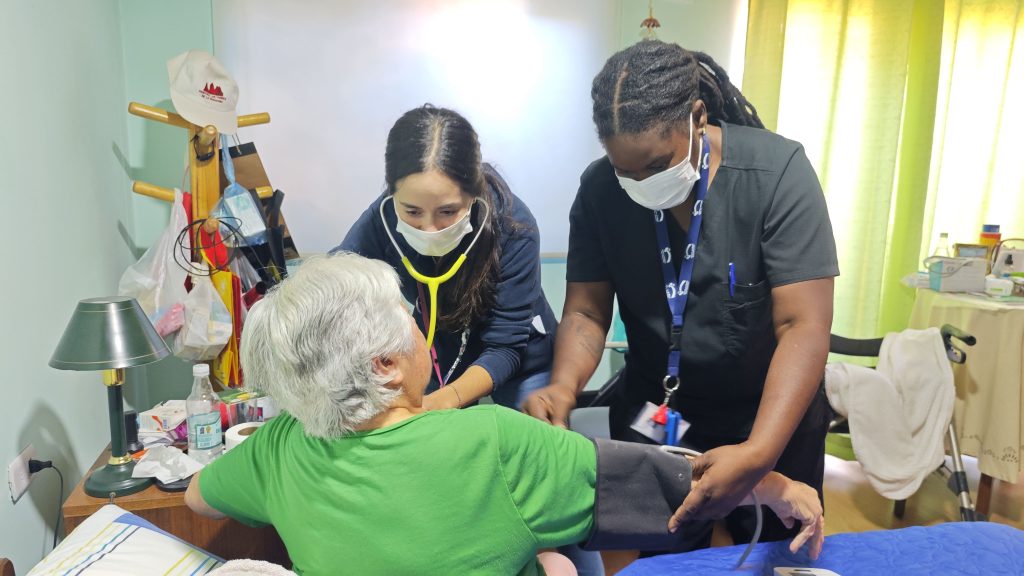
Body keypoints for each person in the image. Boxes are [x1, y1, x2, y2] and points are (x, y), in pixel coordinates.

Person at [184, 253, 825, 576]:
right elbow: (663, 483)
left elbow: (197, 497)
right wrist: (774, 484)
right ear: (386, 365)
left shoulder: (279, 448)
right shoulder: (491, 440)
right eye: (407, 316)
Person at [523, 40, 839, 558]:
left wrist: (758, 452)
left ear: (697, 118)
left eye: (656, 165)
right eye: (626, 171)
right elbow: (586, 310)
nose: (640, 183)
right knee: (668, 556)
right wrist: (563, 386)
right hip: (662, 412)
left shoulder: (776, 174)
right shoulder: (601, 190)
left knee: (774, 555)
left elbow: (803, 325)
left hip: (768, 415)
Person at [334, 105, 556, 412]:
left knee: (528, 435)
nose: (429, 229)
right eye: (412, 211)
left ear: (474, 195)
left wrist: (443, 401)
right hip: (443, 352)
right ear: (392, 195)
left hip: (520, 357)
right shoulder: (382, 217)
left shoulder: (515, 226)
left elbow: (505, 347)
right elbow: (335, 278)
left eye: (448, 211)